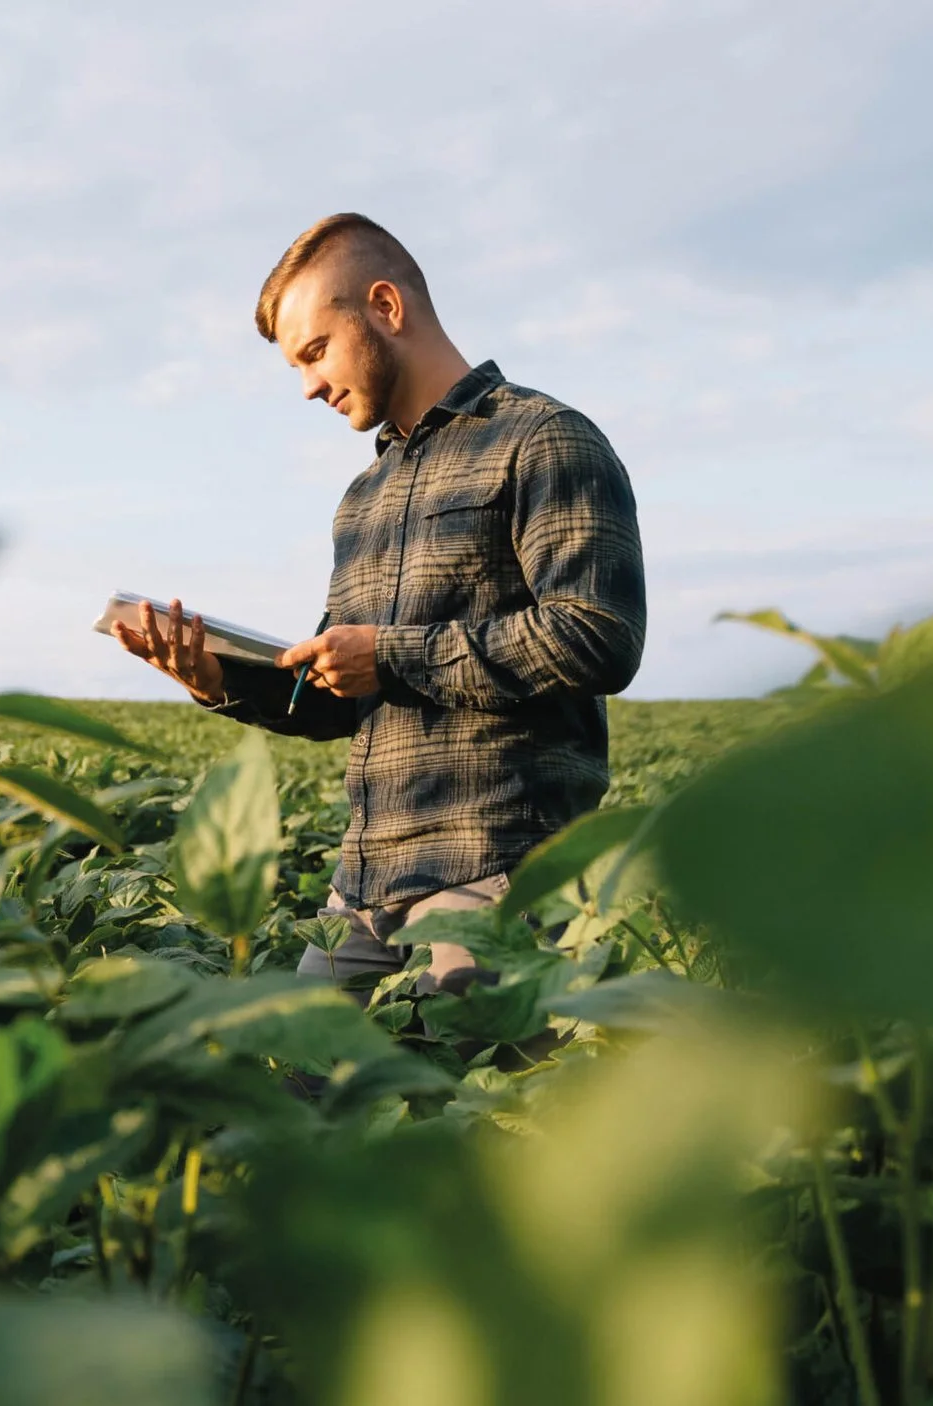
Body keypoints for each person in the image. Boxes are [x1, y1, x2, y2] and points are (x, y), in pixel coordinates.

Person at [111, 212, 645, 1000]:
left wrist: (391, 653)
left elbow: (597, 634)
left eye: (316, 352)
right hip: (362, 892)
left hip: (500, 874)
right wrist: (214, 675)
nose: (310, 386)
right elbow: (339, 702)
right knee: (295, 1102)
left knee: (473, 1117)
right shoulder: (363, 499)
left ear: (387, 308)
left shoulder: (544, 440)